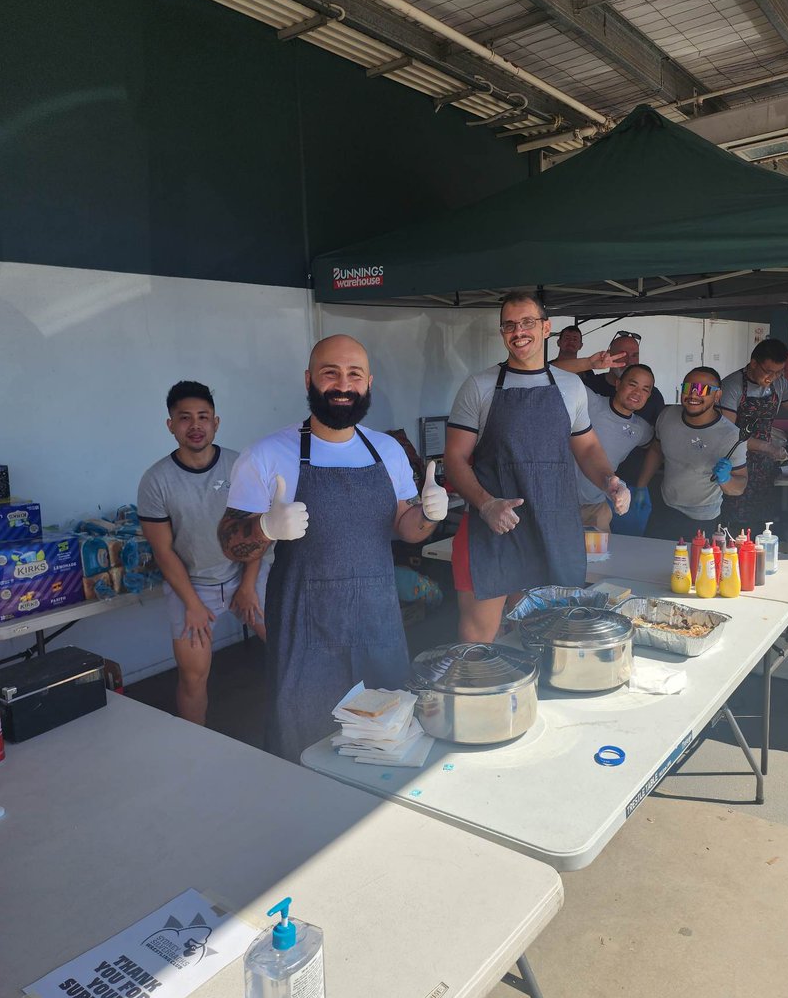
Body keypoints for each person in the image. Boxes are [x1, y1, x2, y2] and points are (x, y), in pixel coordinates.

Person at [218, 335, 448, 763]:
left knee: (383, 740)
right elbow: (231, 542)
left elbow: (406, 528)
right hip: (306, 632)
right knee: (305, 745)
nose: (343, 385)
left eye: (354, 375)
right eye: (330, 373)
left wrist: (429, 514)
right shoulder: (267, 454)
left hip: (378, 624)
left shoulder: (387, 450)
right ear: (309, 380)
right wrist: (266, 527)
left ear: (369, 383)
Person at [444, 291, 630, 643]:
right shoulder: (480, 386)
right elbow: (453, 459)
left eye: (527, 322)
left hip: (552, 526)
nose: (519, 331)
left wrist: (610, 480)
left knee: (545, 635)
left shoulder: (570, 386)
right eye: (509, 325)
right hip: (494, 528)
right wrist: (486, 504)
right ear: (502, 332)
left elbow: (587, 447)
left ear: (546, 328)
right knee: (480, 636)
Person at [138, 380, 267, 727]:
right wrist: (193, 604)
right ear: (170, 425)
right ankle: (195, 746)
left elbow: (257, 533)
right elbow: (163, 551)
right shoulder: (156, 480)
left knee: (288, 647)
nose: (195, 425)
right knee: (193, 676)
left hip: (244, 573)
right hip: (192, 585)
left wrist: (248, 586)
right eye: (185, 418)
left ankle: (301, 726)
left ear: (216, 423)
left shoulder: (240, 466)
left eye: (203, 417)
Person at [720, 337, 788, 533]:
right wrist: (767, 447)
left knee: (764, 525)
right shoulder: (732, 386)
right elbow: (727, 434)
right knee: (736, 527)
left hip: (764, 467)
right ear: (754, 363)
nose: (773, 377)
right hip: (735, 464)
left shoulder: (780, 385)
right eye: (769, 371)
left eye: (779, 372)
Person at [638, 367, 748, 541]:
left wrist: (726, 480)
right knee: (650, 555)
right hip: (664, 507)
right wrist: (641, 486)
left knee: (692, 559)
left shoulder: (731, 436)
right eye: (688, 388)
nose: (694, 394)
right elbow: (656, 450)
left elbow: (739, 486)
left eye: (703, 389)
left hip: (701, 517)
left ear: (717, 395)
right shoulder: (667, 416)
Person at [578, 364, 655, 532]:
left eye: (645, 389)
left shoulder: (641, 429)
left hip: (595, 506)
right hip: (557, 501)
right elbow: (553, 373)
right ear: (618, 384)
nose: (637, 393)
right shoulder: (590, 401)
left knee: (601, 549)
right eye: (632, 384)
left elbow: (657, 447)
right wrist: (589, 362)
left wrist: (642, 485)